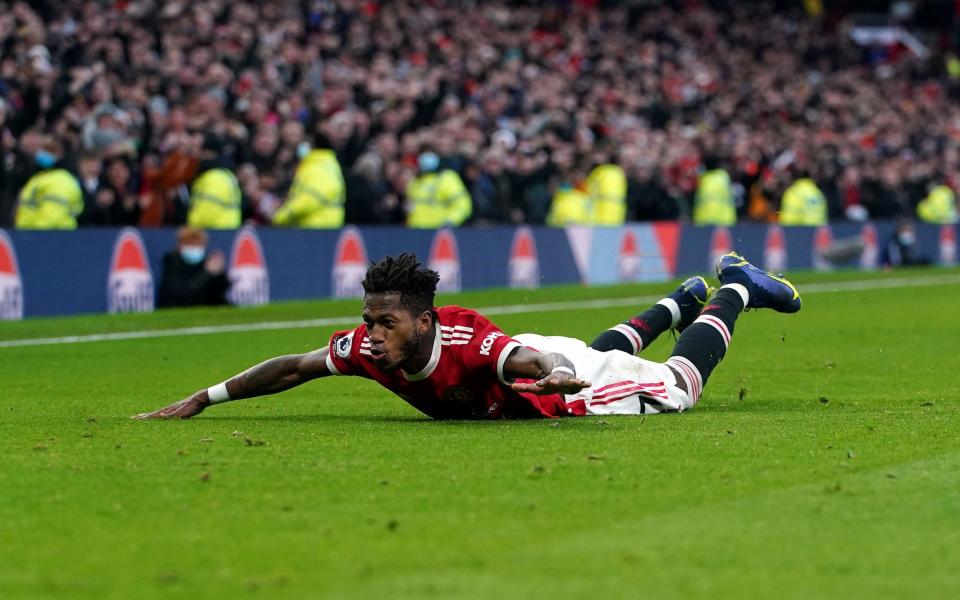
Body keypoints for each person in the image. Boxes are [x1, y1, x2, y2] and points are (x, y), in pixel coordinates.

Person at [136, 251, 801, 421]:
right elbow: (295, 366)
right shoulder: (371, 350)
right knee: (597, 352)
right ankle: (677, 303)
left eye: (385, 323)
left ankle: (735, 287)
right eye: (369, 320)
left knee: (678, 390)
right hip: (551, 367)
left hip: (562, 390)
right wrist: (208, 395)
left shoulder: (466, 339)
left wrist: (550, 372)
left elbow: (517, 357)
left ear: (424, 322)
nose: (370, 335)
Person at [157, 227, 231, 308]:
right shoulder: (172, 262)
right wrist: (207, 273)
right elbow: (184, 293)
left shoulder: (204, 262)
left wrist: (218, 272)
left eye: (198, 245)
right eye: (190, 244)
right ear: (180, 245)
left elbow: (221, 289)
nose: (195, 248)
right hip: (177, 308)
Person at [406, 152, 473, 228]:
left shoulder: (447, 178)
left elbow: (463, 205)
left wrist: (450, 222)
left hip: (438, 230)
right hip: (415, 230)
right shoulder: (415, 182)